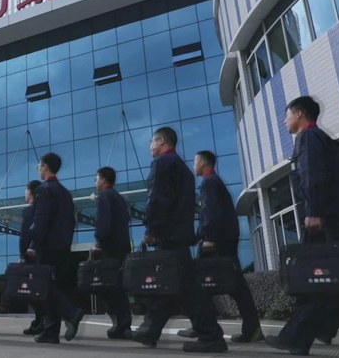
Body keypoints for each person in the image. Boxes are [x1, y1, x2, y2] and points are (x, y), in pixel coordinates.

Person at [265, 96, 339, 355]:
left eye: (287, 115)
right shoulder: (324, 140)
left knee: (324, 277)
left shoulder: (308, 138)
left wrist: (314, 211)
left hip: (332, 221)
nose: (284, 121)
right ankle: (318, 330)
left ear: (299, 114)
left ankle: (297, 337)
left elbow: (313, 174)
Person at [131, 127, 227, 353]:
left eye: (152, 142)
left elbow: (157, 198)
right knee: (171, 283)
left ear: (161, 141)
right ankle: (149, 330)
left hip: (168, 234)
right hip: (181, 234)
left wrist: (152, 228)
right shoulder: (184, 169)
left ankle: (211, 336)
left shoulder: (162, 163)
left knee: (186, 287)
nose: (150, 146)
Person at [178, 151, 262, 343]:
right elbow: (209, 213)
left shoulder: (209, 182)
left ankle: (205, 326)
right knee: (233, 286)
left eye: (195, 162)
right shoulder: (214, 182)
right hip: (224, 241)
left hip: (216, 243)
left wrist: (209, 237)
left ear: (203, 163)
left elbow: (211, 212)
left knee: (198, 282)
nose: (193, 165)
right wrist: (197, 236)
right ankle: (249, 328)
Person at [26, 153, 84, 344]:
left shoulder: (43, 190)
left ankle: (71, 312)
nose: (38, 169)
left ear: (45, 166)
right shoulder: (65, 193)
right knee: (55, 286)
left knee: (46, 287)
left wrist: (34, 244)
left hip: (48, 246)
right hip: (63, 247)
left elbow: (41, 218)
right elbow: (71, 221)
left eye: (39, 166)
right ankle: (50, 332)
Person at [93, 167, 133, 340]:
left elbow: (104, 222)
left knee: (108, 287)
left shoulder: (105, 196)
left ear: (103, 179)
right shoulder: (119, 198)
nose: (95, 182)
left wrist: (100, 242)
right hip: (122, 247)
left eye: (96, 178)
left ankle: (119, 325)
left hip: (110, 248)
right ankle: (124, 323)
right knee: (119, 287)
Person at [20, 180, 46, 336]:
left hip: (31, 257)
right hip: (43, 256)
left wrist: (23, 256)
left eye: (26, 190)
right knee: (41, 291)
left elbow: (25, 236)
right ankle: (39, 321)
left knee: (31, 292)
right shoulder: (44, 210)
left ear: (30, 192)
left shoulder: (29, 210)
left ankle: (39, 321)